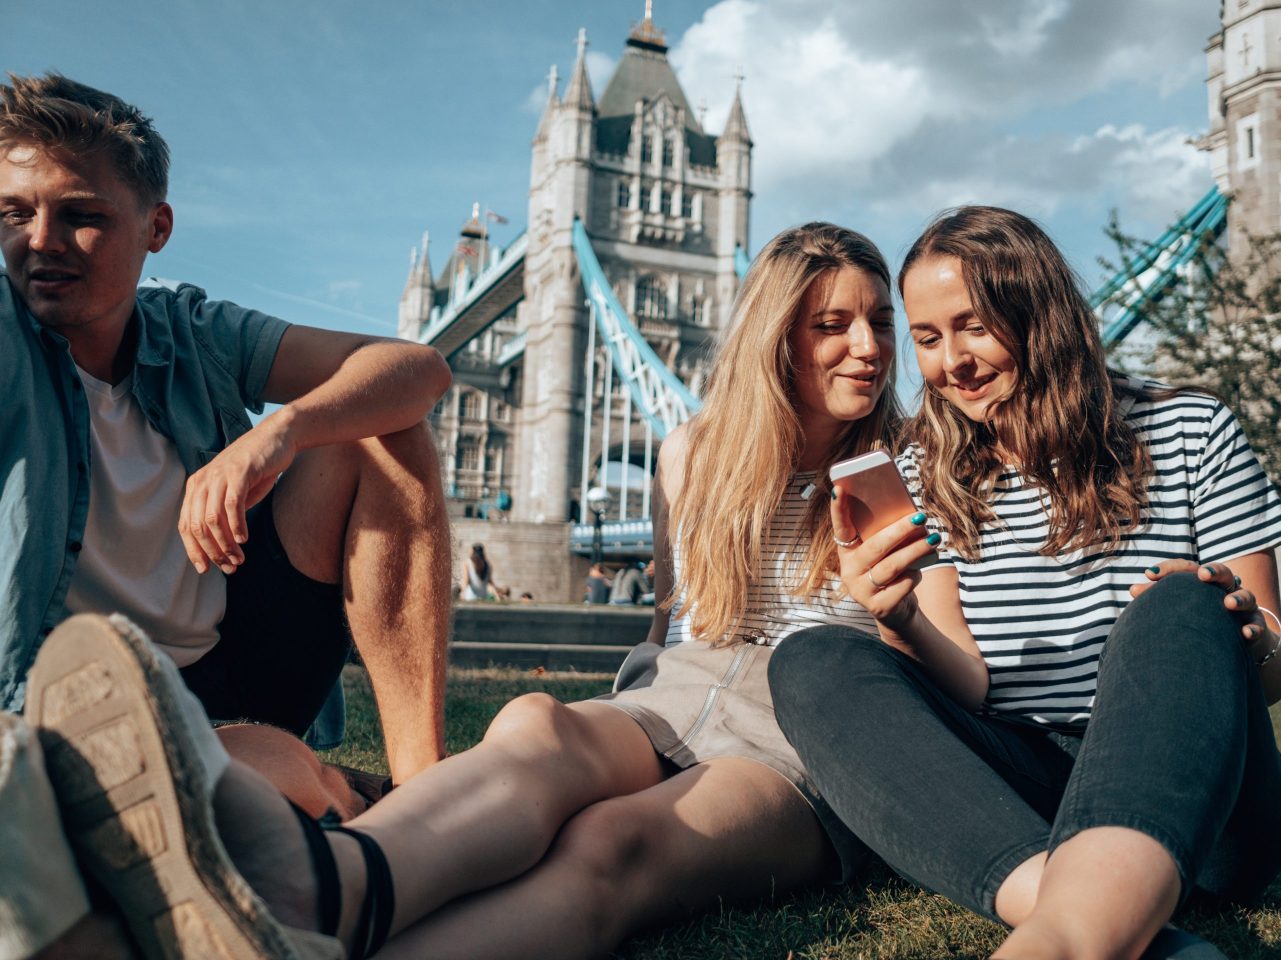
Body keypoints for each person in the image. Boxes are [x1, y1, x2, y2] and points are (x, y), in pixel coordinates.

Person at [17, 221, 986, 960]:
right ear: (777, 335)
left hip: (815, 736)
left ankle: (306, 922)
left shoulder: (913, 461)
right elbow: (666, 628)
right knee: (535, 722)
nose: (868, 345)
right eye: (833, 324)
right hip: (681, 688)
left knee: (615, 846)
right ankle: (317, 886)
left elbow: (964, 684)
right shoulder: (693, 456)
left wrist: (894, 609)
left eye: (877, 323)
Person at [770, 206, 1281, 960]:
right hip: (1030, 796)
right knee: (813, 658)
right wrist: (899, 619)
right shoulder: (925, 473)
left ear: (1040, 313)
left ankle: (1061, 940)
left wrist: (1243, 633)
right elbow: (973, 689)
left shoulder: (1192, 430)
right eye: (926, 339)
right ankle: (1094, 914)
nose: (951, 361)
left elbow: (1278, 671)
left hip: (1206, 800)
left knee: (1183, 600)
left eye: (974, 326)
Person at [0, 76, 453, 810]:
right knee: (269, 778)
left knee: (379, 429)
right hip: (83, 703)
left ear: (157, 229)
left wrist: (279, 432)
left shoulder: (192, 333)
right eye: (14, 213)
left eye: (82, 216)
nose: (39, 242)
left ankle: (422, 784)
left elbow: (418, 368)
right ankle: (329, 794)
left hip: (239, 662)